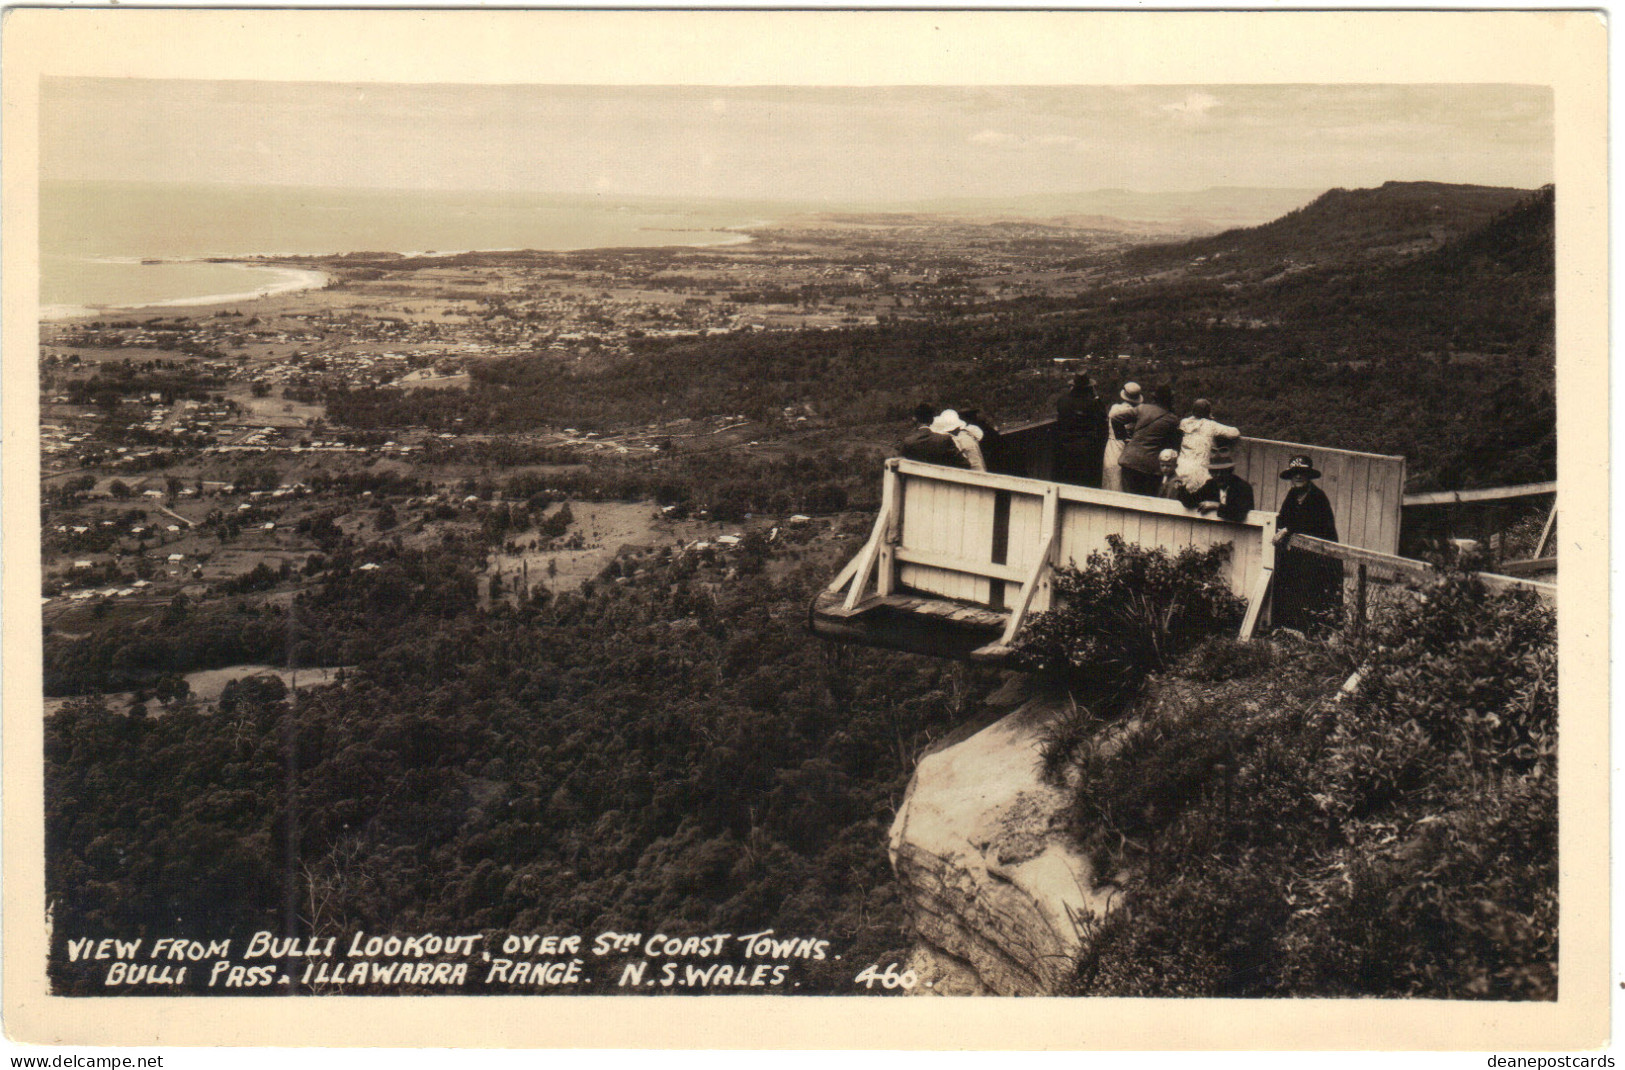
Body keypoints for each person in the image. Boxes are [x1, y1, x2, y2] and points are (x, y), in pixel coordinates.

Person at [1271, 454, 1343, 630]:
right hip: (1299, 553)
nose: (1297, 476)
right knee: (1289, 588)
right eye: (1294, 473)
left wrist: (1288, 529)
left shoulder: (1318, 497)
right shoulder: (1292, 495)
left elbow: (1313, 524)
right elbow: (1283, 518)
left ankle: (1316, 631)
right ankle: (1290, 628)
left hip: (1321, 557)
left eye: (1302, 473)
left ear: (1309, 476)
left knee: (1316, 596)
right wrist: (1283, 528)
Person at [1117, 384, 1181, 495]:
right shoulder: (1172, 419)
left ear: (1155, 398)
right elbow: (1173, 447)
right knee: (1148, 502)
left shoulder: (1142, 408)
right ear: (1170, 400)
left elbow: (1115, 418)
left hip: (1130, 461)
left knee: (1128, 499)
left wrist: (1122, 437)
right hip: (1151, 468)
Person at [1053, 374, 1108, 487]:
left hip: (1064, 445)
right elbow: (1103, 416)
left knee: (1066, 480)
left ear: (1073, 386)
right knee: (1083, 481)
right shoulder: (1092, 403)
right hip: (1085, 447)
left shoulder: (1063, 401)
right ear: (1089, 388)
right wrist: (1096, 397)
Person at [1178, 441, 1254, 522]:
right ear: (1210, 472)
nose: (1218, 475)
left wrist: (1216, 506)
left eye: (1223, 472)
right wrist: (1181, 488)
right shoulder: (1211, 484)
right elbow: (1191, 502)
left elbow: (1240, 514)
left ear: (1230, 471)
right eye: (1215, 472)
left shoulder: (1242, 487)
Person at [1177, 399, 1241, 492]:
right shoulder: (1211, 425)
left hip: (1181, 468)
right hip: (1201, 471)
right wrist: (1210, 419)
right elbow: (1235, 432)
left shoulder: (1184, 422)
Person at [1102, 382, 1141, 493]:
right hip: (1129, 447)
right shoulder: (1136, 413)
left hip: (1113, 445)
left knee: (1111, 476)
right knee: (1125, 481)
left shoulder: (1115, 409)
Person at [899, 408, 970, 468]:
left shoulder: (908, 441)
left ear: (914, 419)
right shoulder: (944, 440)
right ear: (932, 420)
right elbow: (965, 464)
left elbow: (900, 462)